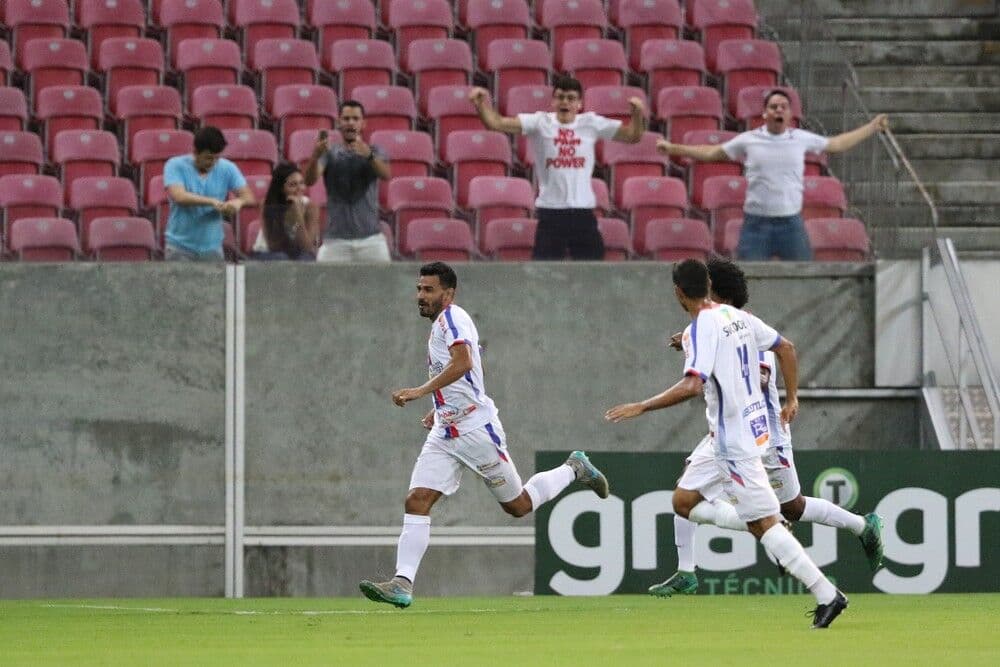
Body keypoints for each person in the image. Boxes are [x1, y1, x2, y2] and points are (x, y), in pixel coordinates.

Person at [606, 259, 848, 629]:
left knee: (763, 525)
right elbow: (787, 347)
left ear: (678, 292)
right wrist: (792, 397)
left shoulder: (703, 325)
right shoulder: (736, 317)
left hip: (734, 441)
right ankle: (766, 528)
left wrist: (642, 406)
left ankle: (827, 594)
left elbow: (691, 384)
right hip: (743, 430)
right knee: (683, 500)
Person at [359, 262, 610, 609]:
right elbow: (467, 370)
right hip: (446, 433)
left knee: (518, 505)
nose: (420, 296)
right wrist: (440, 406)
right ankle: (402, 582)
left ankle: (574, 469)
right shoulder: (439, 326)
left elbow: (462, 363)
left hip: (478, 432)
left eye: (428, 290)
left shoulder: (453, 318)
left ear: (449, 294)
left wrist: (420, 391)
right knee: (417, 500)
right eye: (419, 289)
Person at [649, 256, 884, 598]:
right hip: (734, 430)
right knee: (688, 489)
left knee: (792, 506)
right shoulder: (717, 325)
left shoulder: (741, 329)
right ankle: (687, 570)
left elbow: (759, 374)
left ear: (714, 291)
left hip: (763, 434)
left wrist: (789, 399)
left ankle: (859, 526)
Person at [656, 90, 889, 261]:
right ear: (765, 114)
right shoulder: (749, 139)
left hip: (791, 224)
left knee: (803, 278)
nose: (779, 110)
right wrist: (675, 149)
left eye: (783, 107)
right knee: (747, 284)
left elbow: (836, 144)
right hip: (756, 225)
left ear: (789, 114)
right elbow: (711, 152)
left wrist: (871, 127)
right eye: (774, 107)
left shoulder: (801, 138)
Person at [468, 76, 646, 260]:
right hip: (551, 213)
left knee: (594, 275)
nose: (565, 102)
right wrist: (481, 105)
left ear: (579, 104)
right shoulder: (540, 122)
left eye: (570, 98)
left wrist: (638, 114)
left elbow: (632, 136)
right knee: (544, 276)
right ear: (553, 101)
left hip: (582, 213)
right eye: (560, 97)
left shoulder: (591, 123)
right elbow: (497, 123)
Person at [304, 102, 392, 262]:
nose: (350, 122)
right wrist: (315, 155)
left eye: (355, 118)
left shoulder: (375, 150)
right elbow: (309, 180)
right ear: (338, 122)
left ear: (363, 123)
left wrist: (369, 155)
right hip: (335, 240)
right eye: (346, 118)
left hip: (371, 240)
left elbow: (386, 174)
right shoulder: (329, 153)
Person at [163, 126, 254, 261]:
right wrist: (212, 201)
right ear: (195, 152)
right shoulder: (174, 165)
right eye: (208, 158)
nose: (213, 163)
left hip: (213, 248)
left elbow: (248, 197)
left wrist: (237, 203)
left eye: (217, 158)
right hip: (179, 247)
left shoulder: (227, 168)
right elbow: (179, 196)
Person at [251, 162, 320, 261]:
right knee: (281, 257)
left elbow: (307, 248)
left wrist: (298, 217)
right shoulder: (267, 205)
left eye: (301, 183)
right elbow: (273, 245)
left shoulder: (310, 207)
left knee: (307, 258)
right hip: (266, 253)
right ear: (281, 188)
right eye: (293, 185)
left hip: (296, 253)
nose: (299, 189)